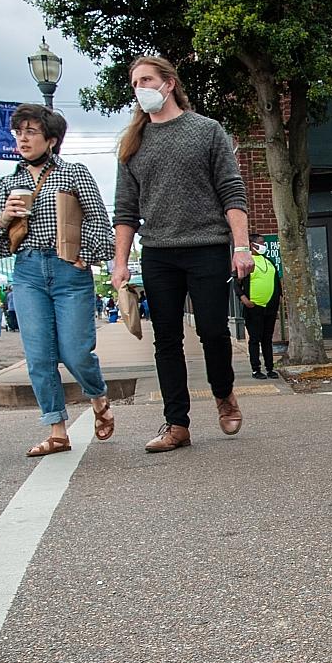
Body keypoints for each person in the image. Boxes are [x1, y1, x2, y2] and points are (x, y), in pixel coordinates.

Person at [111, 55, 253, 452]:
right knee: (166, 340)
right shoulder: (132, 145)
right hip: (158, 253)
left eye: (146, 80)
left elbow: (232, 190)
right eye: (135, 82)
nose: (140, 88)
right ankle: (177, 424)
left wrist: (240, 246)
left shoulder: (207, 131)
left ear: (168, 84)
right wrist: (120, 262)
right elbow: (125, 211)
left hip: (206, 246)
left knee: (212, 330)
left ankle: (224, 394)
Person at [0, 103, 116, 457]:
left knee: (75, 352)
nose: (22, 138)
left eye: (31, 131)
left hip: (69, 270)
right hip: (27, 272)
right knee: (38, 357)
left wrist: (86, 254)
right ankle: (57, 429)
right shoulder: (7, 184)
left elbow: (99, 221)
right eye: (18, 131)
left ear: (51, 139)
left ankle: (98, 394)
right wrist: (3, 218)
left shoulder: (74, 174)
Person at [240, 243, 283, 378]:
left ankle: (270, 368)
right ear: (253, 245)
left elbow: (276, 280)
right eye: (261, 243)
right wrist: (243, 298)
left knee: (267, 339)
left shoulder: (269, 261)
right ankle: (256, 369)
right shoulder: (247, 263)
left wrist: (279, 297)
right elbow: (236, 282)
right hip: (254, 308)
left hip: (270, 307)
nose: (264, 245)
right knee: (255, 339)